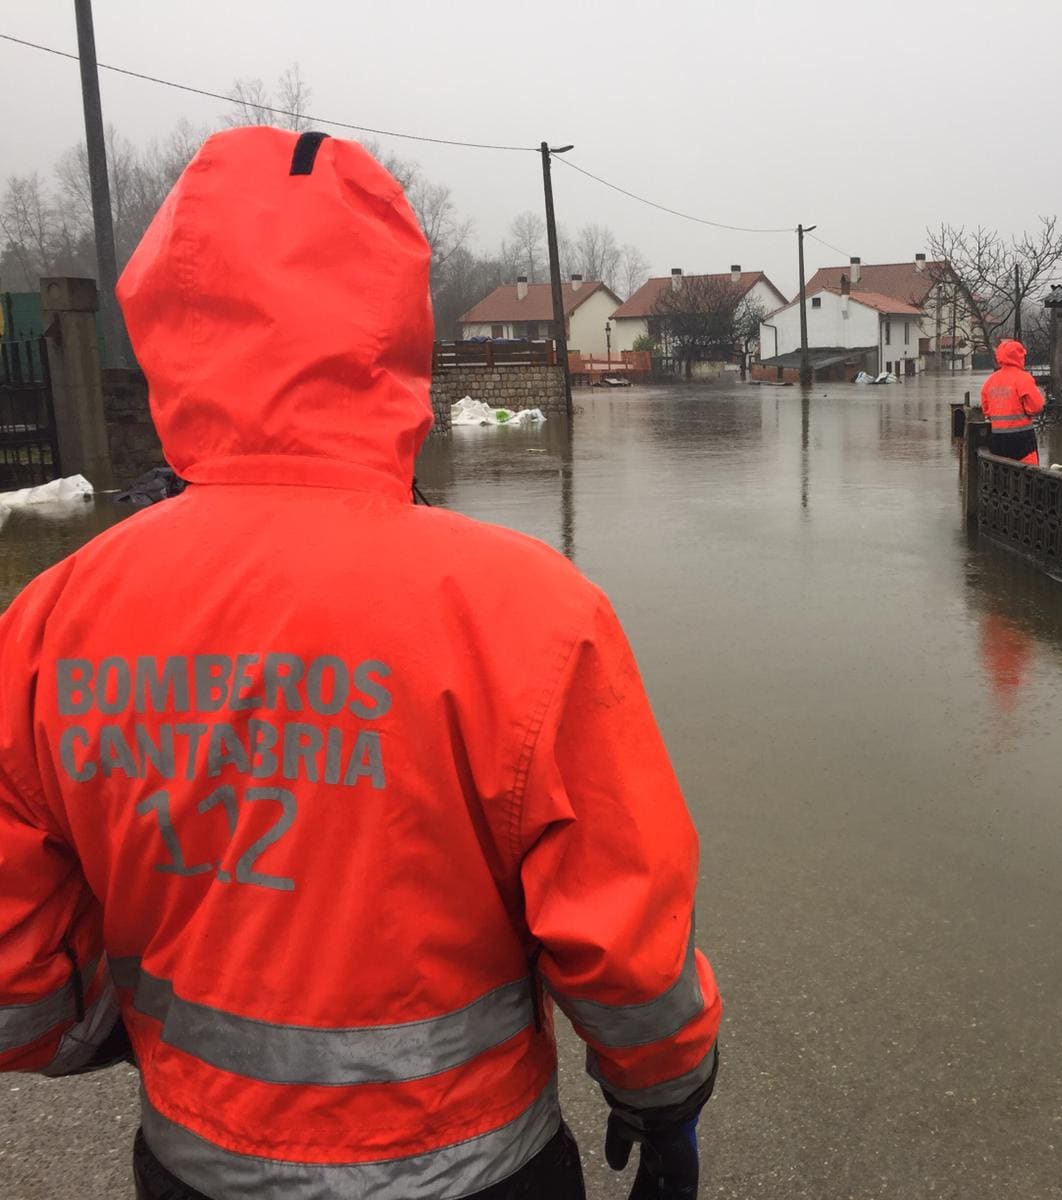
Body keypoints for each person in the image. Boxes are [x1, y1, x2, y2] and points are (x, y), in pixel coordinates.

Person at [0, 127, 720, 1200]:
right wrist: (663, 1097)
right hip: (482, 1169)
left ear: (167, 320)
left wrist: (148, 1037)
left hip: (195, 1166)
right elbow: (623, 938)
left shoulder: (51, 619)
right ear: (392, 325)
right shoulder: (529, 609)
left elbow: (16, 977)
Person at [980, 339, 1046, 465]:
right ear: (1019, 356)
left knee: (1002, 474)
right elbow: (1036, 407)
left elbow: (986, 410)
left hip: (998, 437)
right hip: (1022, 438)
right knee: (1028, 473)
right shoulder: (1023, 378)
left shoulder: (990, 381)